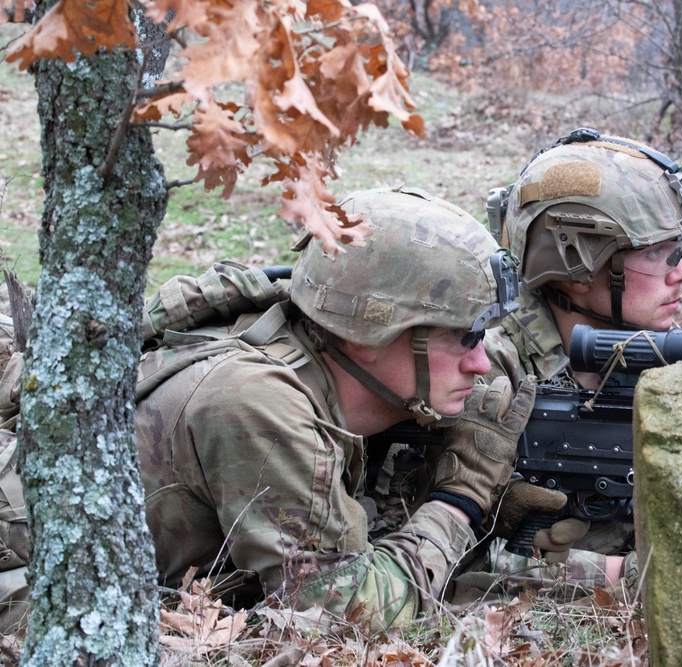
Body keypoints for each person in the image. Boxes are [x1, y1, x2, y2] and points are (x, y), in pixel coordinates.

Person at [135, 186, 538, 630]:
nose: (480, 362)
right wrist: (461, 498)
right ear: (368, 334)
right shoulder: (259, 403)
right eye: (462, 336)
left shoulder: (314, 367)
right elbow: (347, 614)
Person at [480, 128, 682, 569]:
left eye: (679, 248)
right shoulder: (485, 364)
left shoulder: (664, 357)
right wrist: (604, 575)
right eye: (659, 252)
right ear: (576, 265)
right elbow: (440, 557)